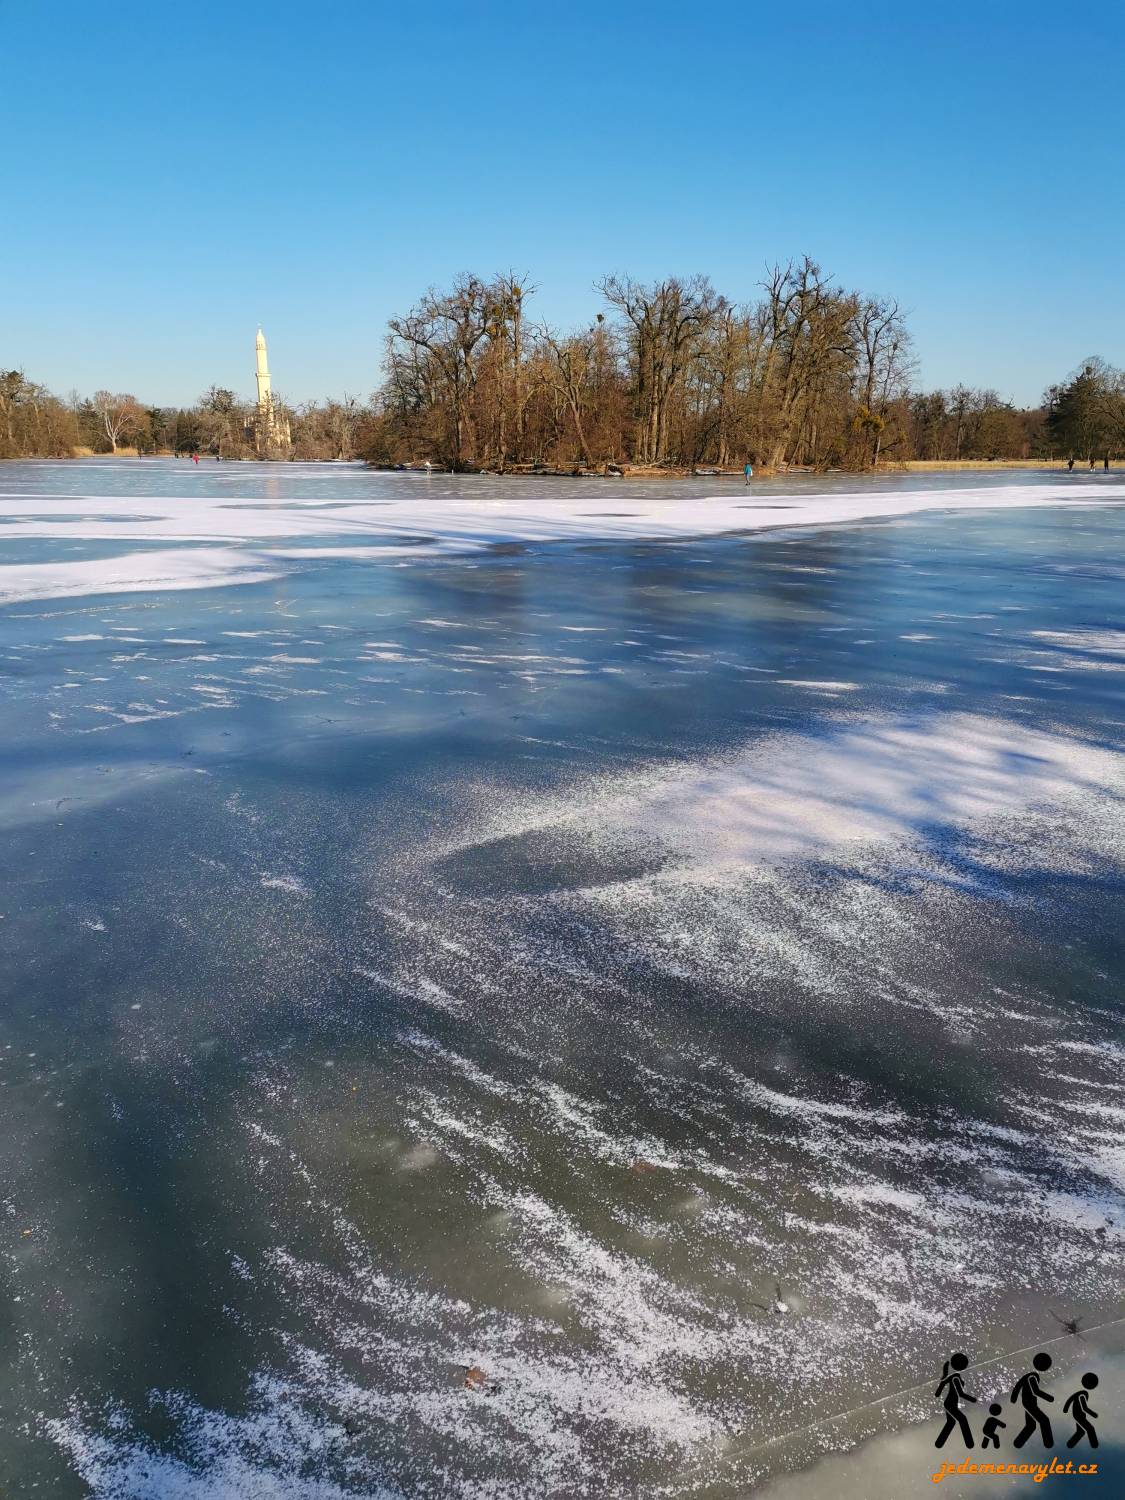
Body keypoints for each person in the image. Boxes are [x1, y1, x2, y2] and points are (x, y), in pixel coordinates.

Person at [934, 1353, 977, 1448]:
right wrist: (973, 1399)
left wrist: (937, 1393)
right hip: (950, 1404)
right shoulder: (955, 1378)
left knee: (951, 1422)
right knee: (963, 1419)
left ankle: (939, 1443)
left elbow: (942, 1383)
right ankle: (969, 1443)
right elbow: (961, 1394)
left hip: (949, 1403)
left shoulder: (953, 1376)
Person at [1012, 1352, 1054, 1448]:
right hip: (1029, 1403)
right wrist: (1049, 1398)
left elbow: (1018, 1385)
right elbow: (1036, 1391)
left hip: (1028, 1402)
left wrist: (1013, 1398)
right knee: (1044, 1420)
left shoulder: (1029, 1376)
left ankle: (1018, 1443)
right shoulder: (1032, 1377)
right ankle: (1048, 1443)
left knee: (1031, 1425)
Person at [1063, 1374, 1099, 1449]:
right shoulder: (1082, 1395)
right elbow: (1084, 1408)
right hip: (1079, 1416)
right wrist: (1093, 1414)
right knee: (1090, 1429)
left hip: (1078, 1415)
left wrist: (1066, 1409)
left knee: (1081, 1431)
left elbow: (1070, 1400)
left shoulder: (1080, 1394)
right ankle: (1094, 1445)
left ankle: (1070, 1444)